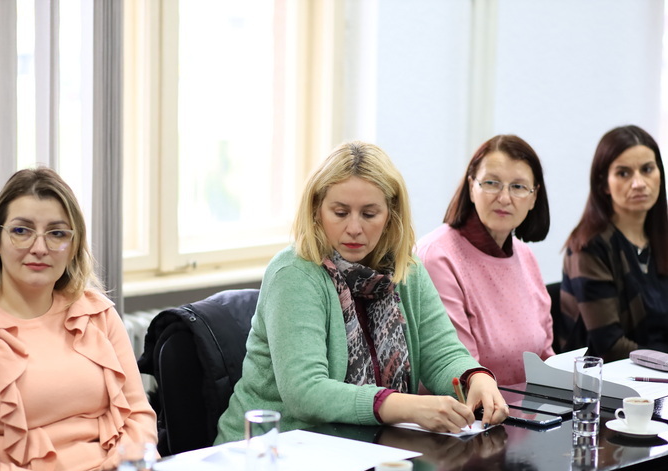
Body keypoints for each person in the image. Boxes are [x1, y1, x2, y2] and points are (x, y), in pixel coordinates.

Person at [215, 141, 509, 444]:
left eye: (369, 214)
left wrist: (476, 377)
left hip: (361, 446)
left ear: (390, 214)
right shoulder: (294, 272)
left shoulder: (406, 269)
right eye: (340, 212)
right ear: (316, 210)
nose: (354, 228)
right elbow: (305, 392)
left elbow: (443, 353)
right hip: (268, 450)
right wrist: (405, 406)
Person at [0, 168, 157, 471]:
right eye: (21, 231)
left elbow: (139, 416)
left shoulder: (96, 311)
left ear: (73, 245)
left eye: (57, 233)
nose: (39, 247)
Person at [415, 135, 554, 386]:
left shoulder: (525, 256)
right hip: (468, 407)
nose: (504, 198)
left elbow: (545, 356)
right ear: (472, 187)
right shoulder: (437, 256)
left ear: (534, 197)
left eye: (518, 187)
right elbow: (460, 370)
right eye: (491, 183)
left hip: (528, 406)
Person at [561, 125, 668, 361]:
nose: (639, 183)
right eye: (623, 173)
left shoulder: (662, 237)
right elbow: (610, 346)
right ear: (604, 184)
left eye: (647, 169)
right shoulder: (588, 246)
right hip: (608, 376)